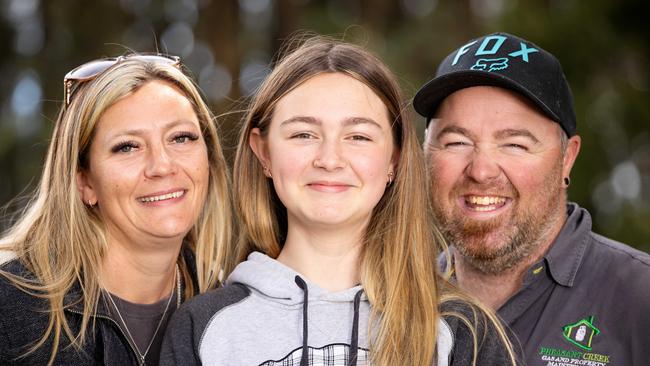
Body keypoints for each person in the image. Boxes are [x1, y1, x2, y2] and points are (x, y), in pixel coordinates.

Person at [161, 37, 519, 366]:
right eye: (304, 134)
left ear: (393, 160)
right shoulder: (205, 328)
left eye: (358, 136)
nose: (330, 159)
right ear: (264, 152)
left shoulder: (461, 332)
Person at [414, 32, 650, 365]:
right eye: (456, 142)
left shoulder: (639, 299)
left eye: (515, 144)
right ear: (425, 154)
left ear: (567, 158)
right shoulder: (395, 306)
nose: (481, 171)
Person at [0, 54, 233, 365]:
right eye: (128, 146)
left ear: (209, 160)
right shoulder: (10, 308)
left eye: (181, 138)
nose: (162, 166)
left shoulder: (231, 310)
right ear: (84, 182)